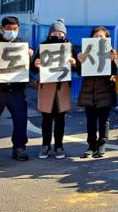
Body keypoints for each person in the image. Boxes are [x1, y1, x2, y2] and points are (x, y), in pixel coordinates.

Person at [0, 15, 32, 161]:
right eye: (8, 28)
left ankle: (19, 148)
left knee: (20, 120)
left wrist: (30, 56)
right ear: (2, 29)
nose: (11, 31)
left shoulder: (23, 44)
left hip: (17, 90)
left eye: (15, 29)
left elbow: (28, 69)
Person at [31, 19, 77, 160]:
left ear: (64, 34)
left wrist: (74, 63)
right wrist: (36, 64)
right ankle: (45, 145)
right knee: (46, 119)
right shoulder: (43, 47)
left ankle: (59, 145)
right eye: (55, 32)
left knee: (60, 119)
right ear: (50, 33)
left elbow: (78, 68)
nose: (58, 35)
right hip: (46, 87)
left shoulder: (69, 48)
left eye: (61, 32)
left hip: (62, 88)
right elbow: (33, 67)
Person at [76, 26, 118, 159]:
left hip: (105, 90)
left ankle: (102, 144)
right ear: (92, 38)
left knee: (104, 120)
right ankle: (91, 146)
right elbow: (79, 72)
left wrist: (112, 61)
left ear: (107, 39)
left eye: (102, 36)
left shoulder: (112, 52)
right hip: (89, 91)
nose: (99, 38)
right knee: (91, 120)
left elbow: (114, 72)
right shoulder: (86, 51)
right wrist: (79, 61)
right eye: (96, 36)